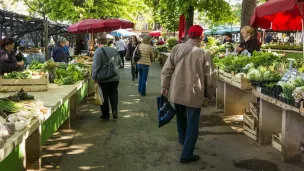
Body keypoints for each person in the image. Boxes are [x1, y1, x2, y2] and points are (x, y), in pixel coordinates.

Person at [161, 25, 216, 164]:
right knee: (193, 123)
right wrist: (210, 94)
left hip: (176, 91)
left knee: (180, 118)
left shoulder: (176, 48)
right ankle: (187, 154)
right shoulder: (204, 54)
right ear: (201, 37)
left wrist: (164, 87)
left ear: (188, 35)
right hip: (193, 93)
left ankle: (183, 140)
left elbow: (167, 69)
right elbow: (210, 77)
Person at [92, 33, 121, 120]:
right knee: (114, 93)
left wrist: (94, 77)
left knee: (103, 95)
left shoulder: (98, 51)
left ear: (98, 43)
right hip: (115, 76)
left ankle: (105, 114)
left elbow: (96, 66)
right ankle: (115, 110)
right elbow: (119, 61)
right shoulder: (113, 49)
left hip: (103, 78)